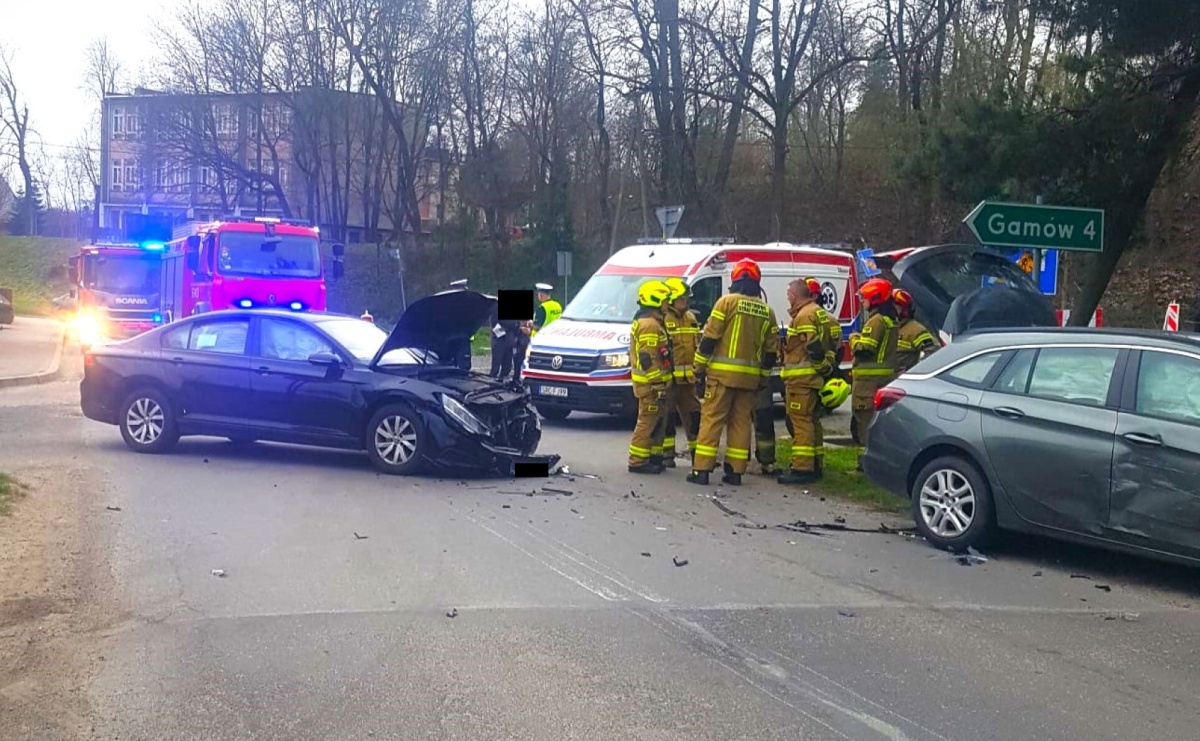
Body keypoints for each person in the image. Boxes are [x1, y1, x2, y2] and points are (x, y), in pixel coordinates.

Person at [688, 259, 779, 487]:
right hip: (750, 380)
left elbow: (710, 338)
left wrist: (698, 367)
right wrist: (763, 379)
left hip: (721, 377)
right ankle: (735, 472)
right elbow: (770, 352)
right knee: (741, 423)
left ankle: (702, 470)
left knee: (712, 420)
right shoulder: (767, 312)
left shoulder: (726, 303)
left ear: (736, 281)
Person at [777, 278, 838, 485]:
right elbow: (832, 344)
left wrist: (821, 366)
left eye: (788, 295)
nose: (787, 298)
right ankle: (815, 463)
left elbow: (812, 346)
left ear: (794, 296)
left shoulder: (804, 316)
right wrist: (827, 369)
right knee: (812, 422)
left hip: (802, 380)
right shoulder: (820, 313)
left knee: (801, 423)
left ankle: (802, 468)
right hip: (812, 380)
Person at [849, 278, 899, 470]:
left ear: (875, 298)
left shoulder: (876, 321)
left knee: (865, 424)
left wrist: (854, 339)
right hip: (883, 381)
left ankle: (866, 465)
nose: (862, 301)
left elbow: (865, 349)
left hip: (868, 385)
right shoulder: (891, 320)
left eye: (864, 297)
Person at [628, 280, 674, 474]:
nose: (667, 305)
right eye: (665, 301)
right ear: (655, 300)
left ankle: (654, 457)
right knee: (647, 421)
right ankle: (637, 461)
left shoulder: (651, 322)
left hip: (649, 384)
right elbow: (648, 358)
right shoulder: (649, 325)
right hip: (650, 385)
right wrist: (657, 383)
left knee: (656, 420)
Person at [660, 277, 701, 467]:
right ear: (671, 299)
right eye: (682, 298)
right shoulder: (663, 319)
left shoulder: (691, 318)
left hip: (688, 381)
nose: (686, 302)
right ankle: (666, 456)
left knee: (693, 416)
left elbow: (697, 346)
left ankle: (698, 455)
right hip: (669, 381)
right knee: (666, 418)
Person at [893, 289, 939, 374]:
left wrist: (914, 370)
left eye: (894, 307)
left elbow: (934, 352)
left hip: (905, 380)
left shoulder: (915, 330)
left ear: (904, 309)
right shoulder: (887, 328)